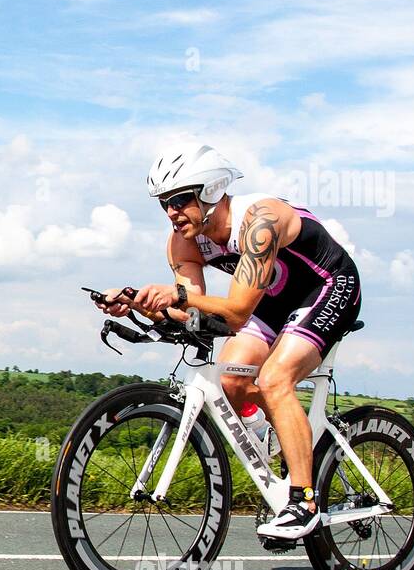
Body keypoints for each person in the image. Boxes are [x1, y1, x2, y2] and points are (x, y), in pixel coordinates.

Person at [96, 143, 362, 540]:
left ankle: (304, 501)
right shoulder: (182, 240)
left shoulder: (260, 220)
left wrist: (177, 296)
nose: (171, 212)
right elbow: (190, 315)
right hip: (273, 298)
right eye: (164, 203)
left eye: (180, 199)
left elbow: (235, 311)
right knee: (231, 378)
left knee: (274, 379)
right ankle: (278, 443)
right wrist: (139, 303)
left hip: (329, 285)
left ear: (210, 191)